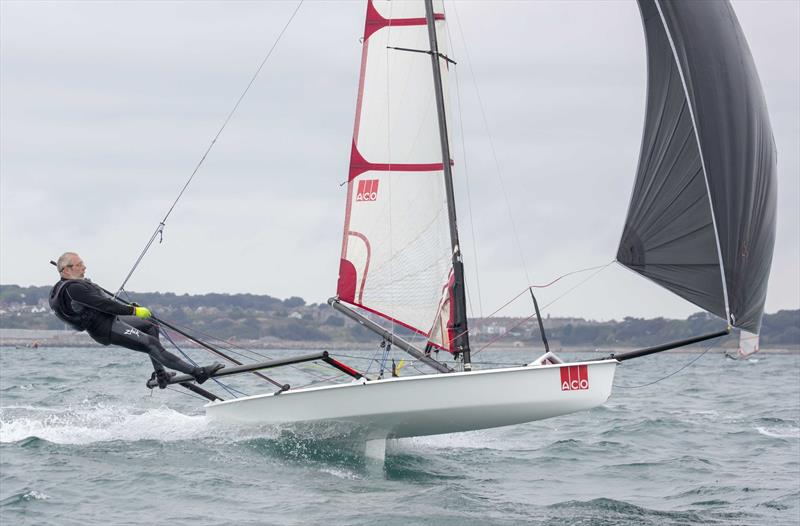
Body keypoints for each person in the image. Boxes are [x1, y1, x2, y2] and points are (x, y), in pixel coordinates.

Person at [48, 252, 224, 388]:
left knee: (150, 325)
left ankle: (161, 374)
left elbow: (100, 305)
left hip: (111, 321)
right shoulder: (75, 289)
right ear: (67, 270)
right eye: (80, 265)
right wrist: (133, 310)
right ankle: (198, 373)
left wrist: (131, 311)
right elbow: (105, 305)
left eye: (83, 264)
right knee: (151, 344)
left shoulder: (69, 286)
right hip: (106, 328)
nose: (84, 267)